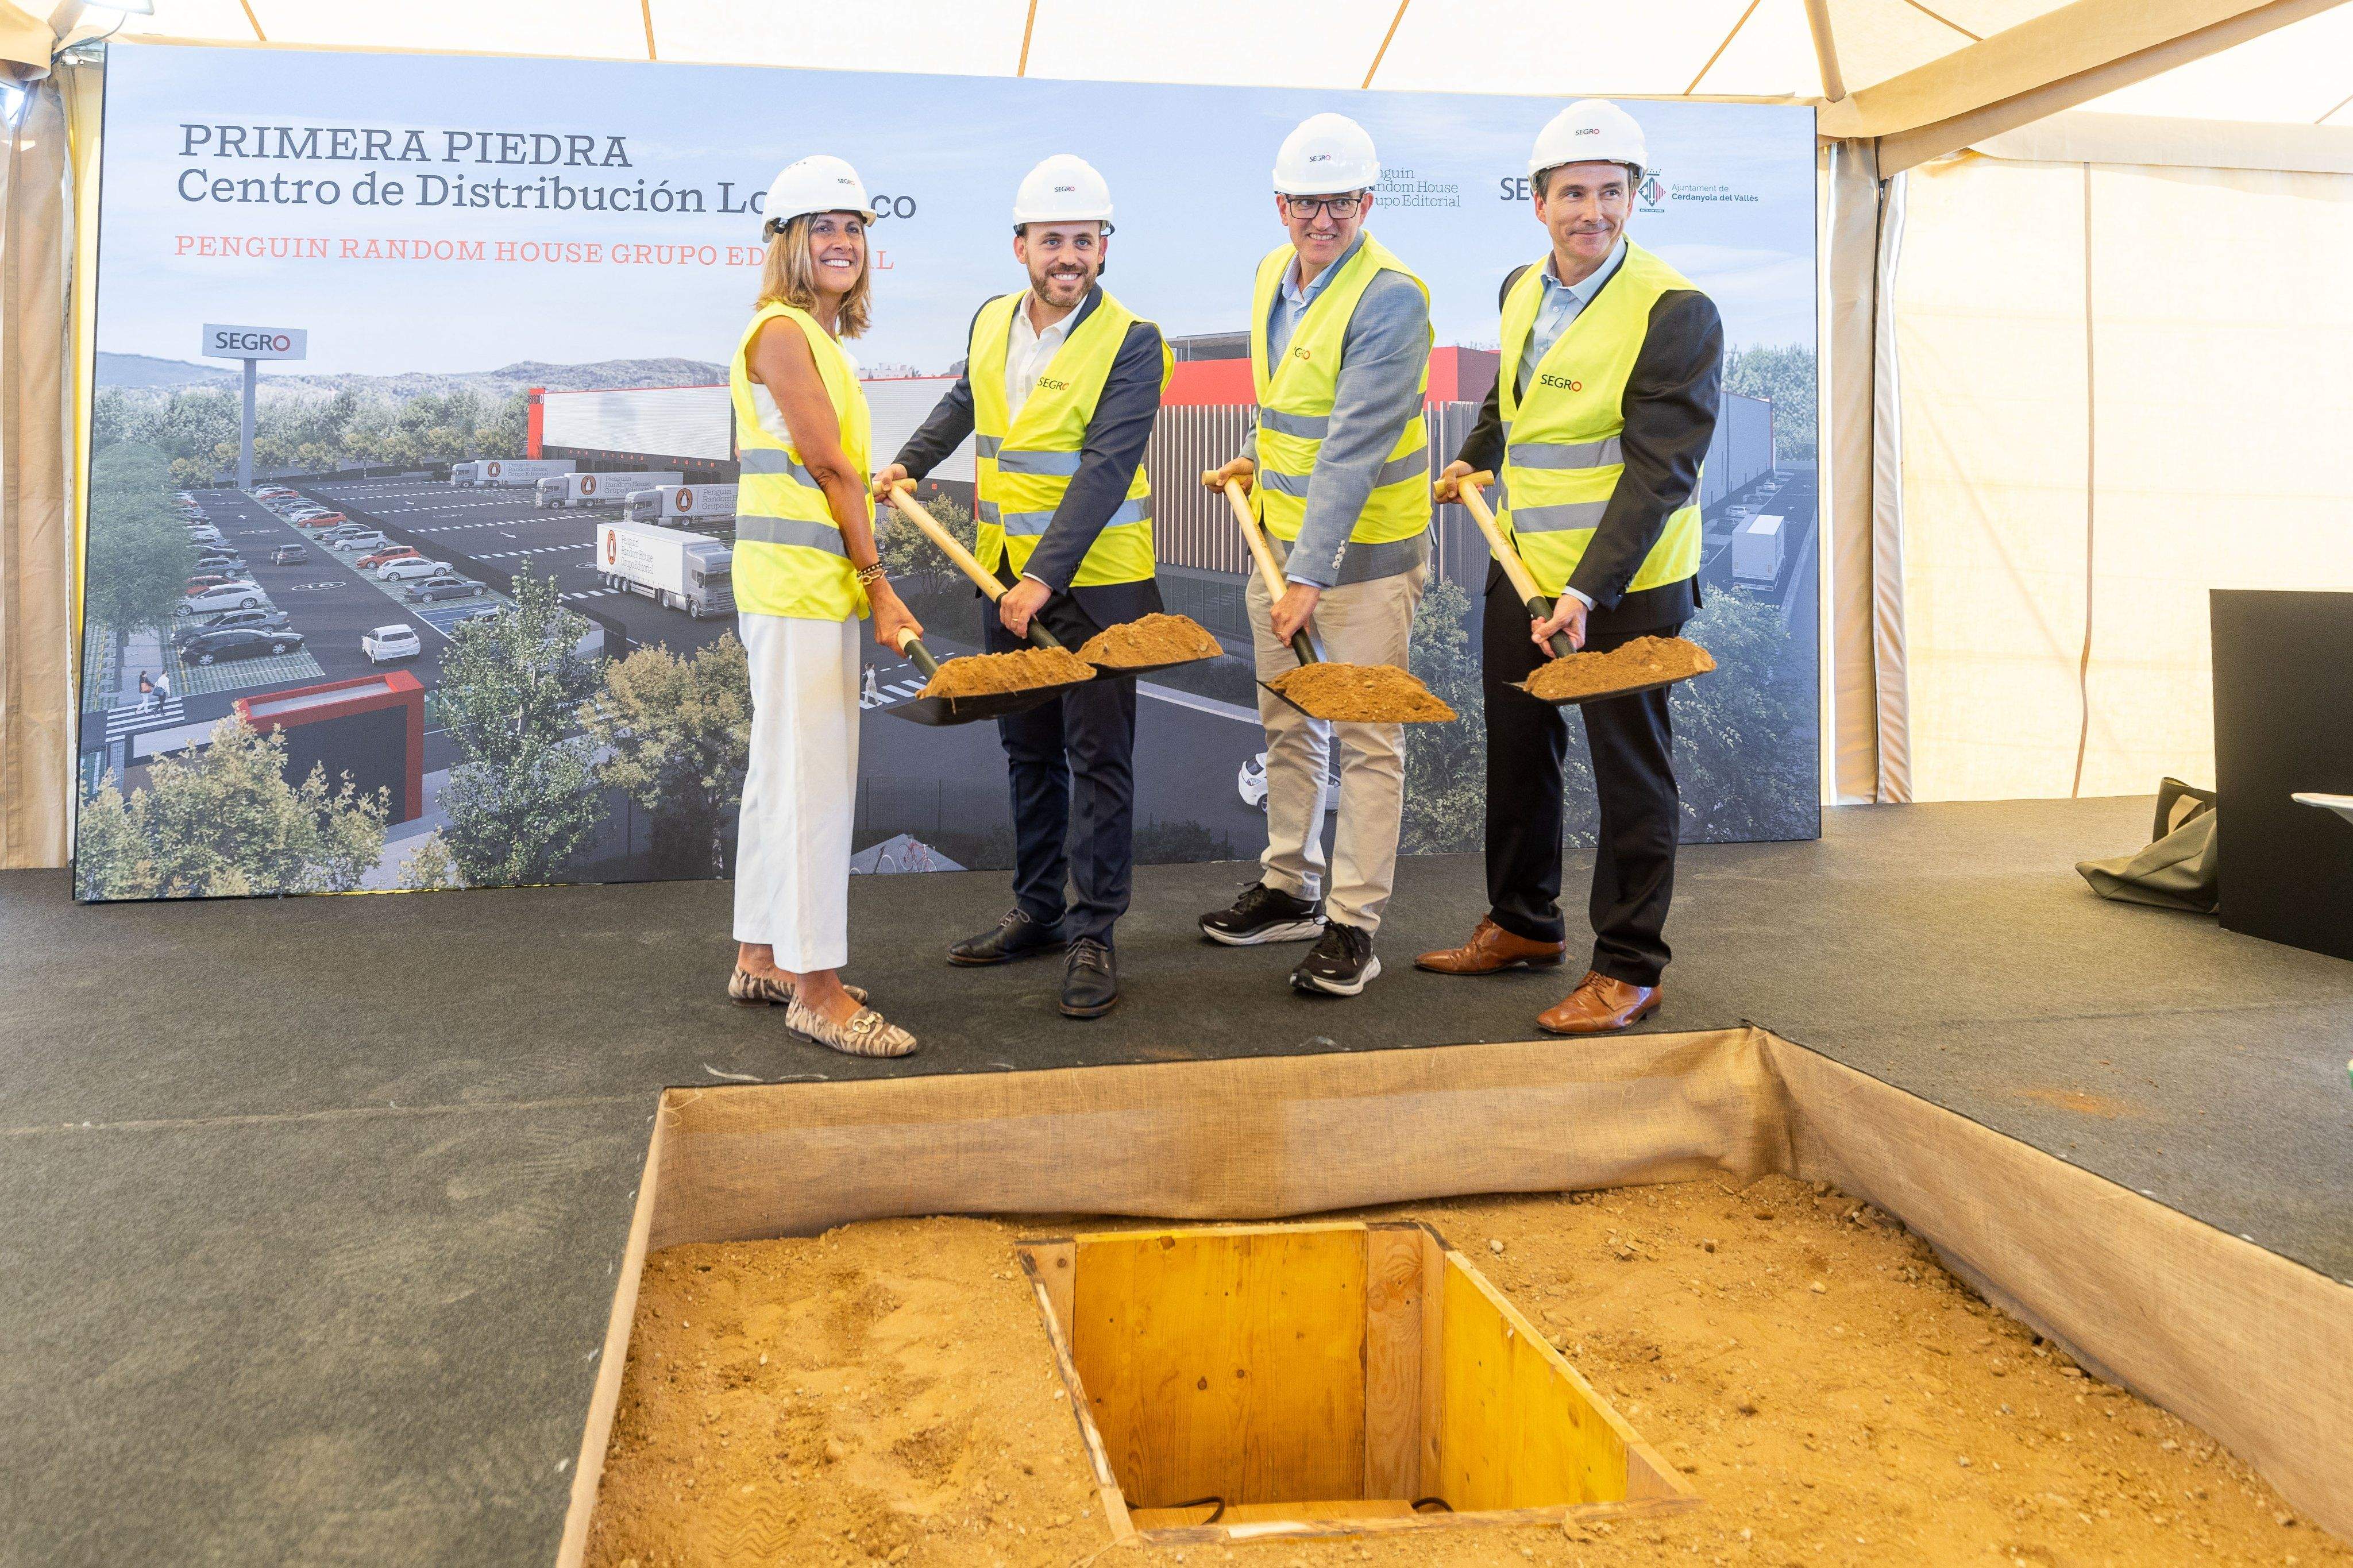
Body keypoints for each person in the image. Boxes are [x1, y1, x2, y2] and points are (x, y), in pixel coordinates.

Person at [1417, 101, 1723, 1036]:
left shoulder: (1674, 311)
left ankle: (1630, 968)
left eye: (1612, 191)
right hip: (1523, 568)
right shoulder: (1523, 287)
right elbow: (1512, 400)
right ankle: (1523, 921)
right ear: (1539, 200)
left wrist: (1589, 592)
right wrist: (1476, 454)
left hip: (1624, 586)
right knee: (1519, 749)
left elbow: (1661, 469)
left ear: (1637, 195)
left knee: (1631, 774)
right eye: (1575, 193)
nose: (1594, 211)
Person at [875, 155, 1171, 1019]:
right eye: (1052, 241)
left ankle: (1094, 932)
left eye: (1084, 240)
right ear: (1021, 247)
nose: (1067, 256)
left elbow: (1106, 467)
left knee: (1099, 758)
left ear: (1104, 247)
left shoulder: (1134, 341)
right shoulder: (992, 320)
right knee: (1029, 750)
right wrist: (910, 461)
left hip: (1099, 587)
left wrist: (1044, 577)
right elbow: (965, 400)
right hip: (1001, 572)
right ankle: (1040, 911)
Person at [1198, 113, 1433, 999]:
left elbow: (1353, 445)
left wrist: (1307, 576)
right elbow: (1288, 402)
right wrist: (1251, 458)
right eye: (1306, 203)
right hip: (1280, 546)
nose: (1322, 219)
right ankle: (1289, 887)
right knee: (1288, 724)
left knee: (1368, 741)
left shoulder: (1392, 298)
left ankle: (1353, 926)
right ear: (1281, 205)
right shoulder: (1273, 273)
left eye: (1341, 203)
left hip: (1360, 563)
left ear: (1367, 202)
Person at [726, 155, 923, 1059]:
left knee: (781, 773)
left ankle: (762, 954)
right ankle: (815, 989)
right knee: (811, 786)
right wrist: (880, 586)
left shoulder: (817, 340)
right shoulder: (781, 331)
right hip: (799, 593)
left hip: (798, 589)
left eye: (853, 228)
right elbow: (829, 465)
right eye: (823, 227)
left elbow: (838, 469)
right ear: (786, 243)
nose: (843, 241)